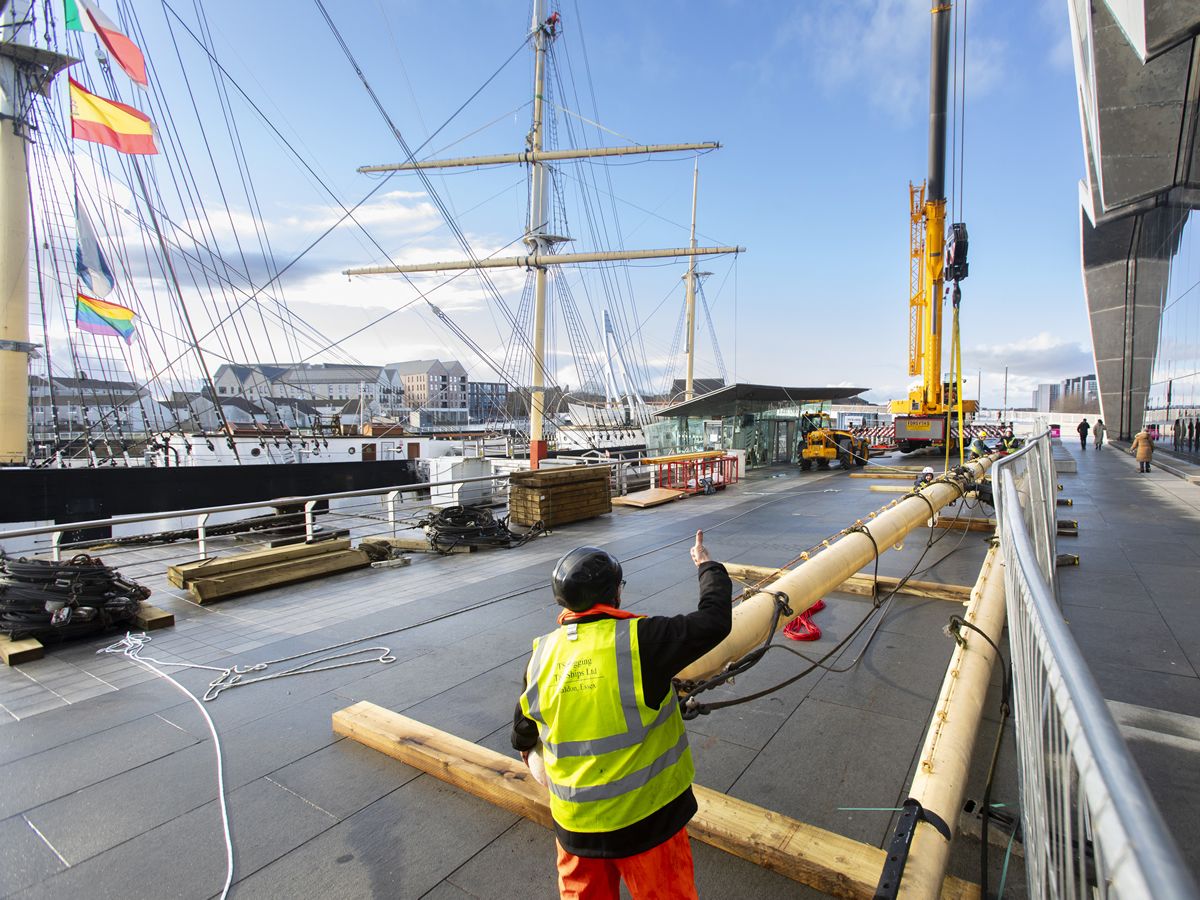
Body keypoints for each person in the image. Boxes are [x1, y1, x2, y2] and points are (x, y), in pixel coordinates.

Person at [512, 533, 732, 900]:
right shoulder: (642, 641)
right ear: (615, 593)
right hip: (649, 825)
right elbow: (714, 621)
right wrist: (707, 565)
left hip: (575, 830)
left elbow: (522, 735)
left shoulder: (540, 656)